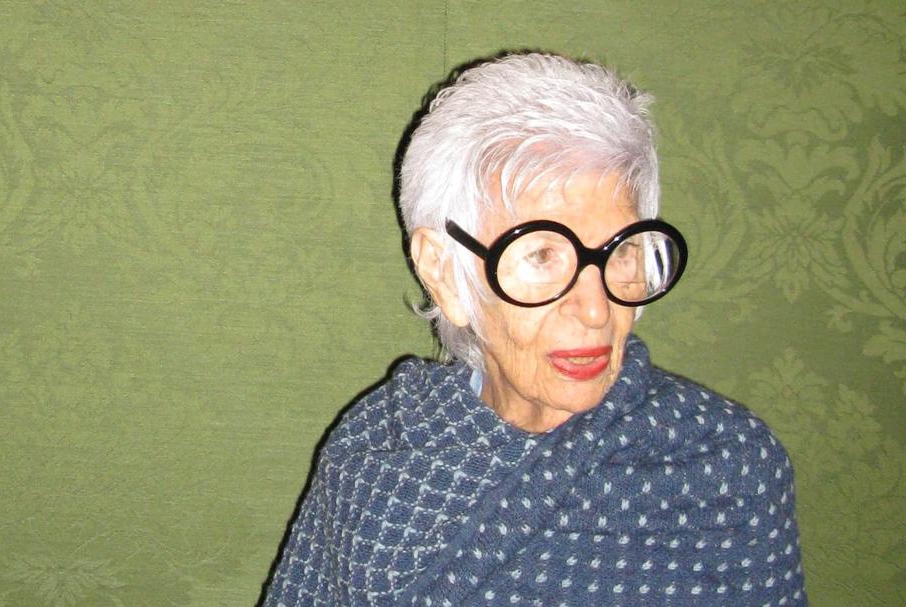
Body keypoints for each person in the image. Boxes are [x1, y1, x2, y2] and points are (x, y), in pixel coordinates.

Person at [263, 52, 806, 606]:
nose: (594, 310)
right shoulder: (378, 448)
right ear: (444, 273)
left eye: (621, 251)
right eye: (543, 255)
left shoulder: (726, 465)